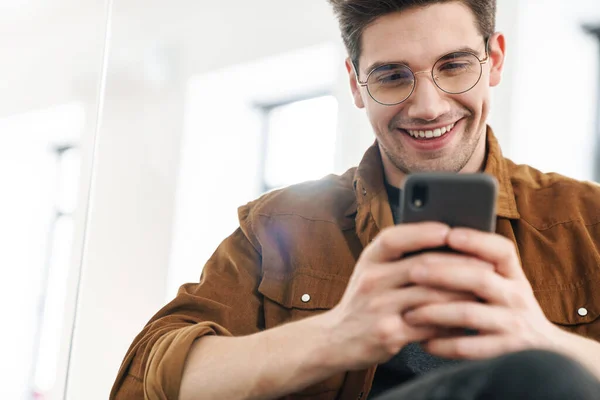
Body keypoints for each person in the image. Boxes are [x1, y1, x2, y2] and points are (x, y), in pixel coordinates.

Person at [110, 1, 600, 399]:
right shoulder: (278, 225)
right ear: (355, 84)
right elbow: (144, 379)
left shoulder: (588, 220)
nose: (428, 106)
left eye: (454, 66)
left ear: (494, 60)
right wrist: (338, 334)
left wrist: (542, 341)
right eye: (392, 77)